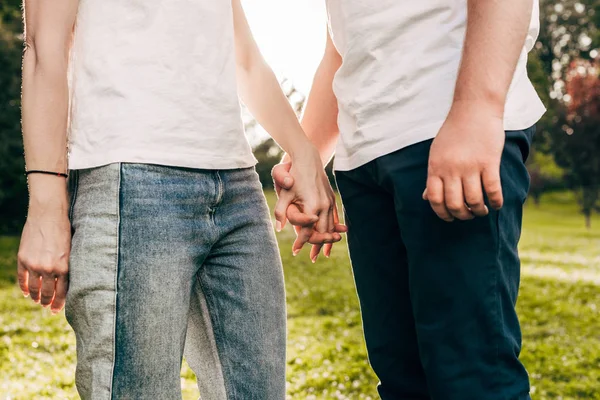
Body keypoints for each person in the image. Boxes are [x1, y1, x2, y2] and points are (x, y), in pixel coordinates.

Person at [17, 0, 343, 398]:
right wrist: (46, 209)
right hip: (132, 182)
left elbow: (244, 58)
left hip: (237, 188)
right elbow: (43, 48)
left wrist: (305, 153)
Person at [273, 0, 545, 399]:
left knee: (470, 376)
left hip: (446, 128)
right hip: (365, 152)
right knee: (401, 374)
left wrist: (476, 108)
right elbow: (343, 40)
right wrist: (305, 158)